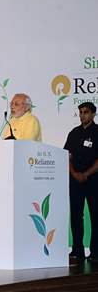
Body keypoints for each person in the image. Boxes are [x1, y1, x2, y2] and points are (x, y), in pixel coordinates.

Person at [65, 102, 98, 262]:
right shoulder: (74, 133)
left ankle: (95, 252)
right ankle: (77, 250)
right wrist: (75, 174)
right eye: (80, 112)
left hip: (93, 180)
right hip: (75, 180)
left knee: (95, 215)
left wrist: (86, 174)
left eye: (86, 112)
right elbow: (67, 156)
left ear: (93, 114)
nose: (82, 115)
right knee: (76, 216)